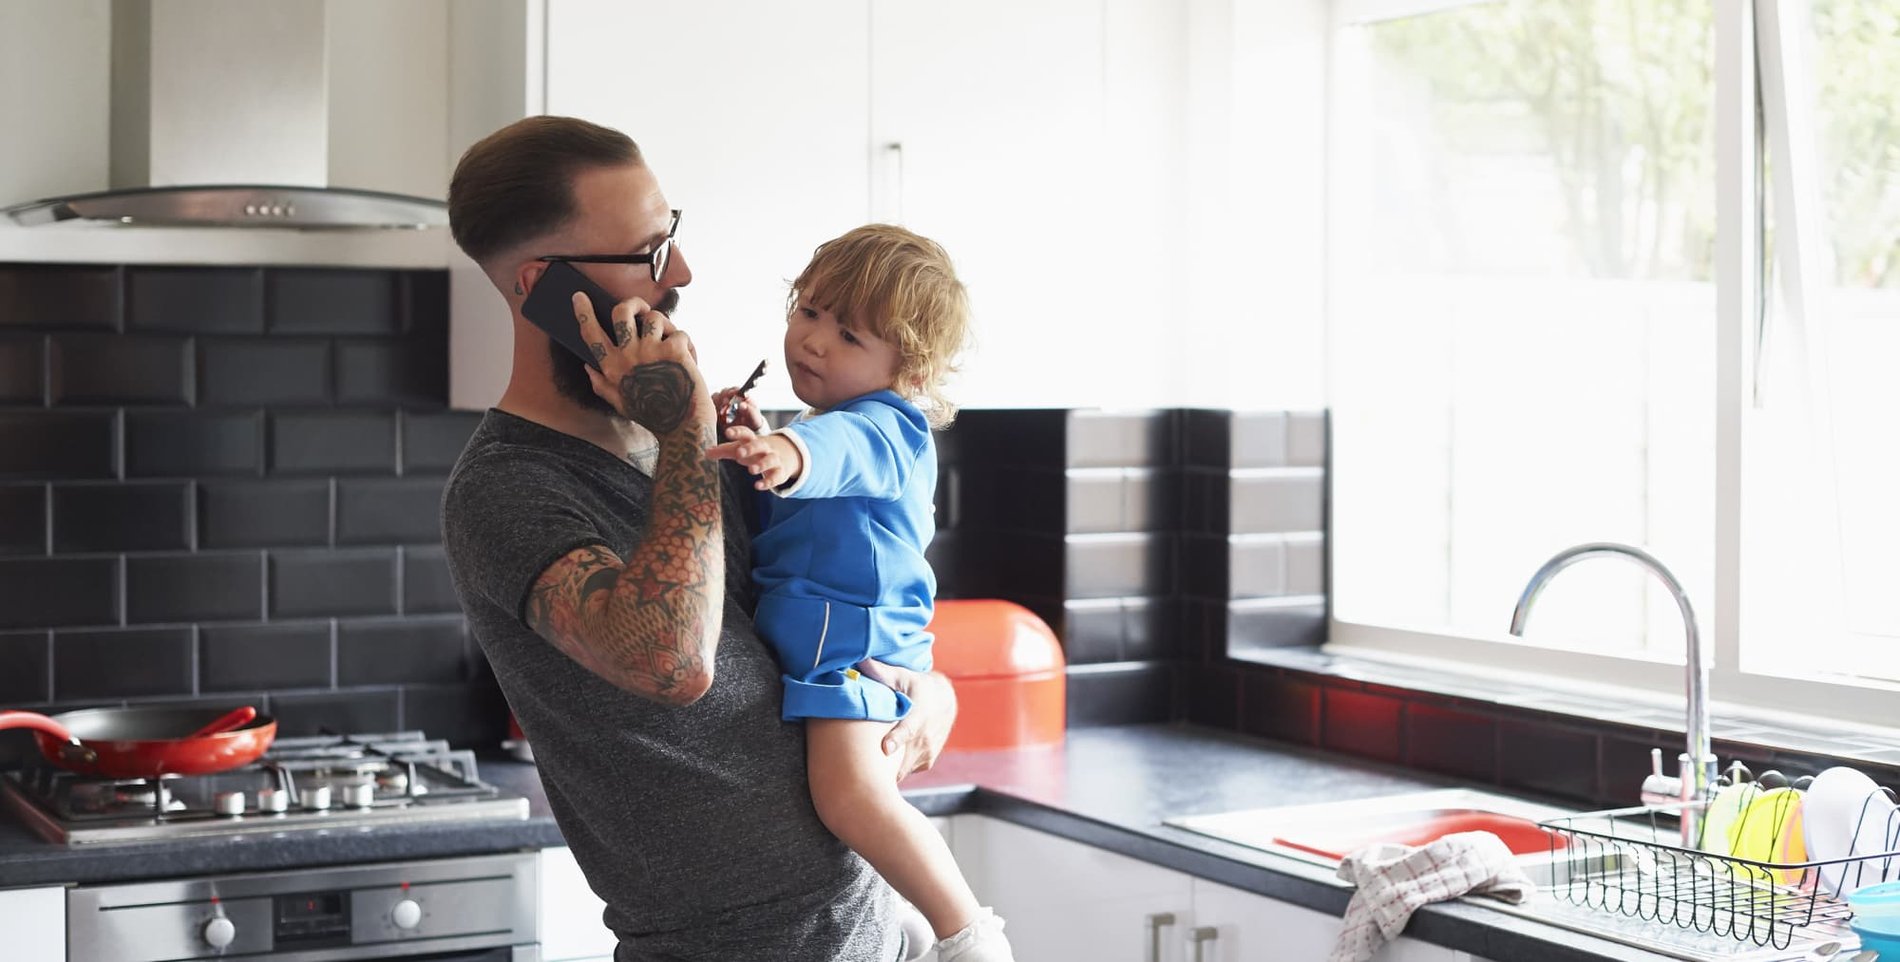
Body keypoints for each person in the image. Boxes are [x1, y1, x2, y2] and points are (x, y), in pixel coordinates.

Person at [438, 115, 957, 962]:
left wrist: (929, 686)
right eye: (647, 251)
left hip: (862, 937)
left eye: (669, 235)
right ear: (541, 285)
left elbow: (833, 586)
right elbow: (672, 663)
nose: (679, 273)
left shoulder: (693, 449)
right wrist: (682, 429)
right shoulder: (508, 486)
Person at [707, 226, 1012, 962]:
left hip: (858, 647)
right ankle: (902, 915)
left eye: (848, 334)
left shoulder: (889, 426)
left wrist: (785, 452)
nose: (813, 341)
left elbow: (844, 456)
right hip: (823, 641)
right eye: (808, 311)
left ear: (906, 368)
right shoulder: (818, 426)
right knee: (849, 798)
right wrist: (762, 441)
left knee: (850, 797)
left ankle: (969, 934)